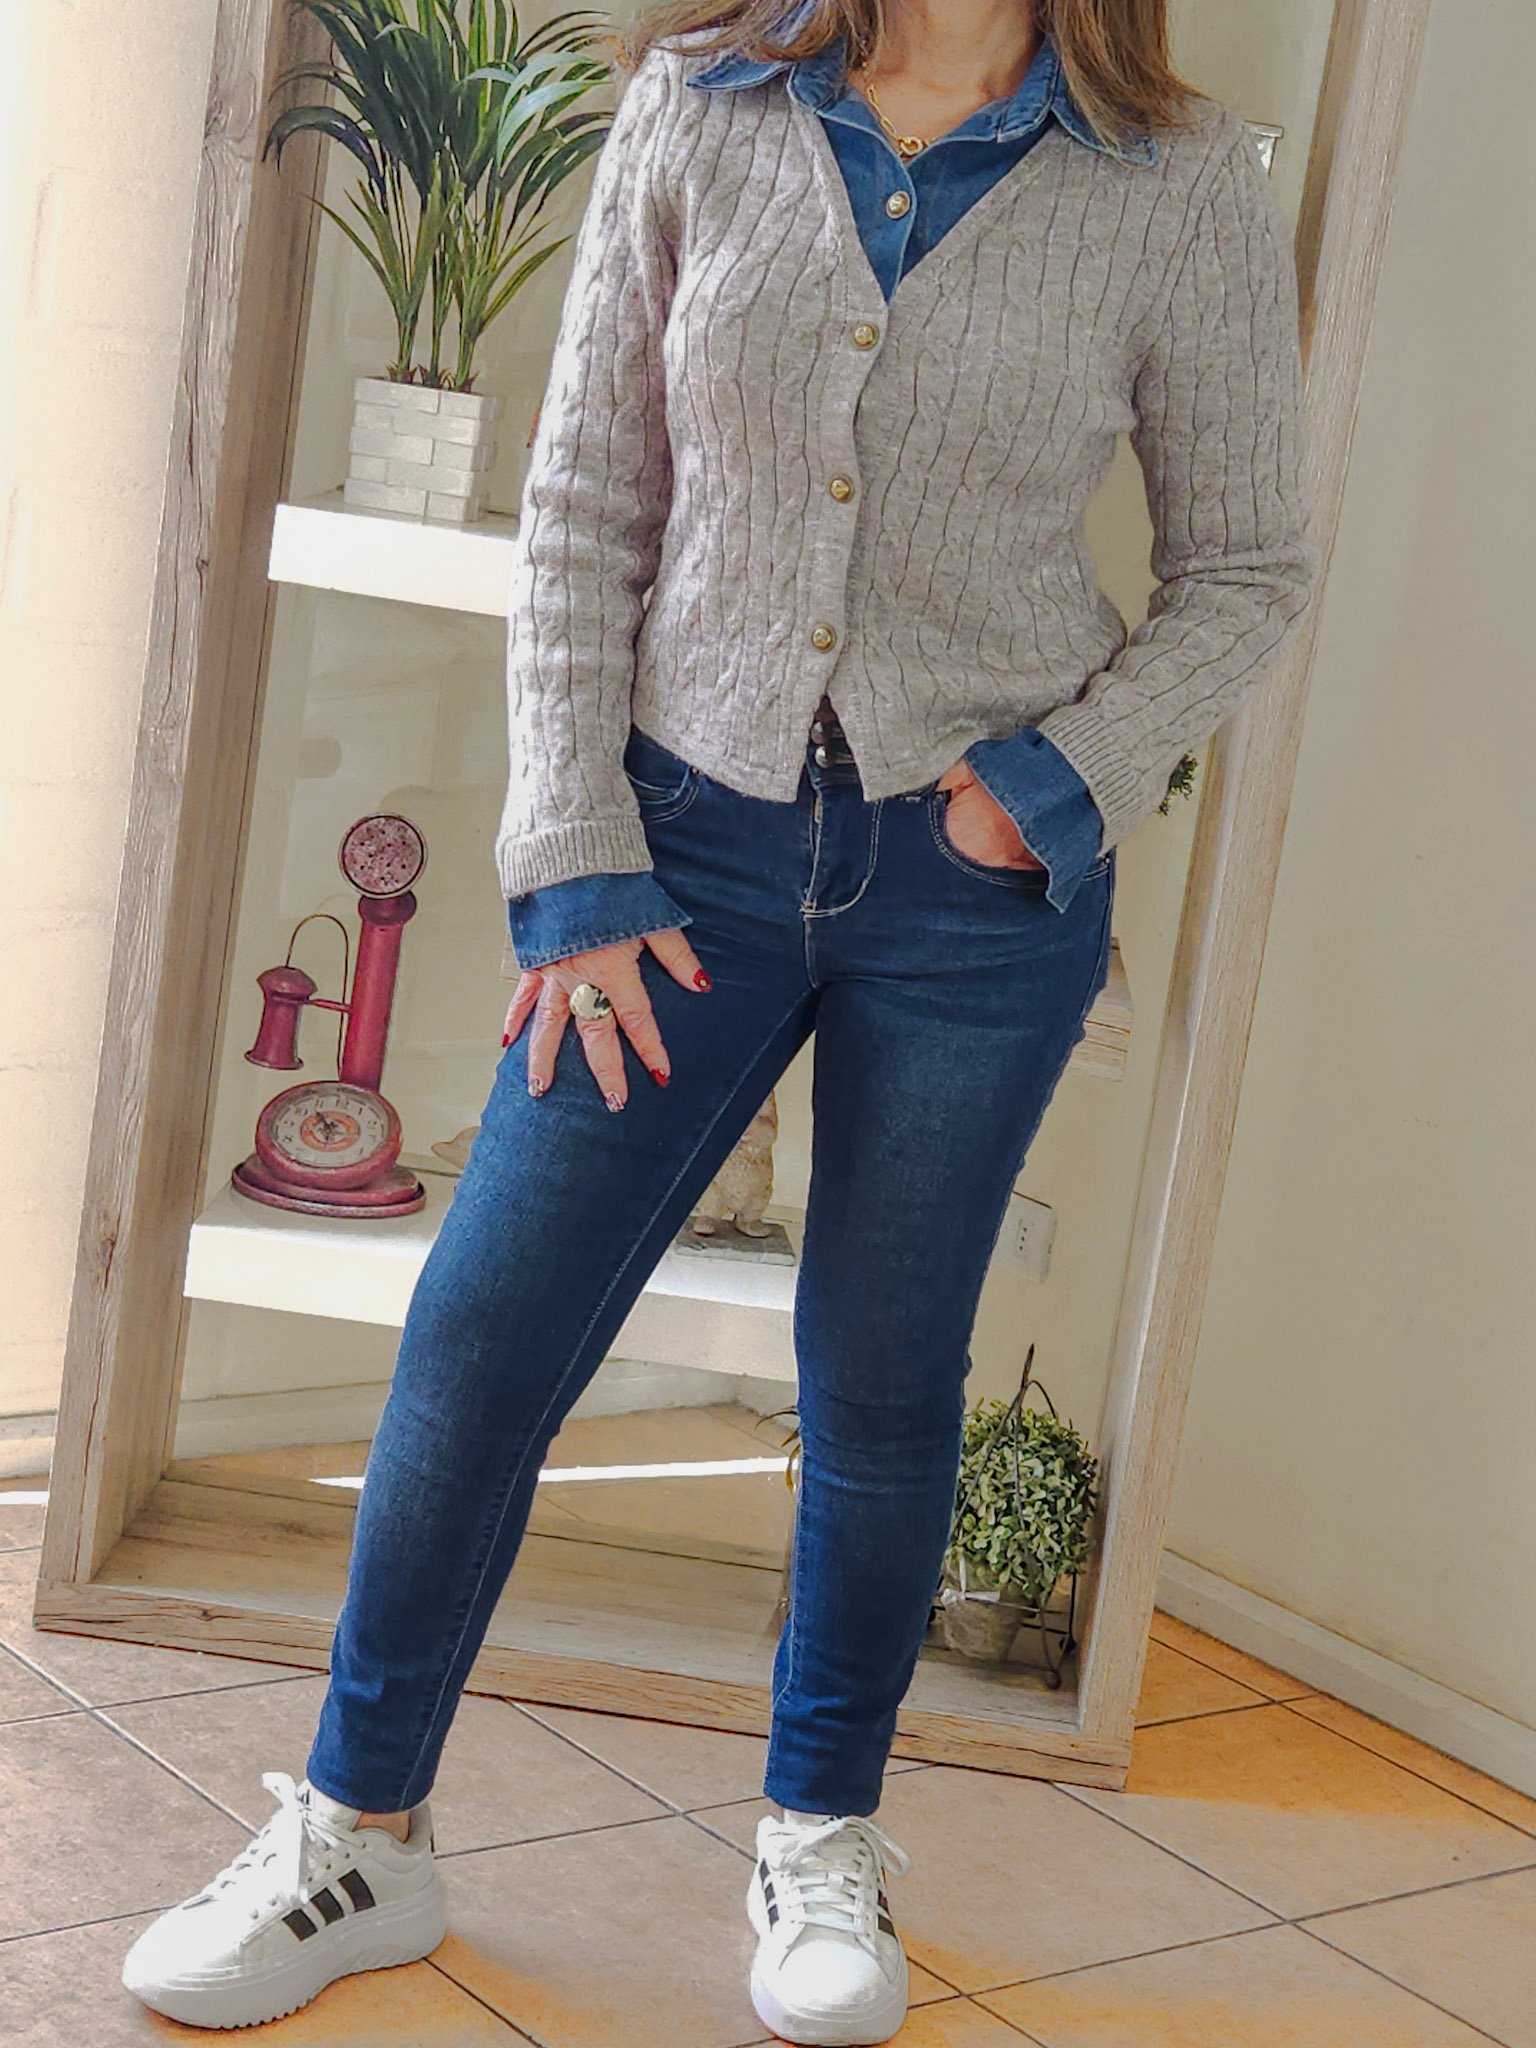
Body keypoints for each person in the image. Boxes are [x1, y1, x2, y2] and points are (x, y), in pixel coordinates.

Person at [123, 0, 1316, 2039]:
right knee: (485, 1333)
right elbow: (589, 502)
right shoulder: (703, 107)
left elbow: (1251, 567)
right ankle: (359, 1828)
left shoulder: (1178, 180)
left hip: (977, 888)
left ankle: (821, 1836)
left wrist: (1044, 790)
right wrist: (576, 857)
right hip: (678, 862)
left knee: (882, 1376)